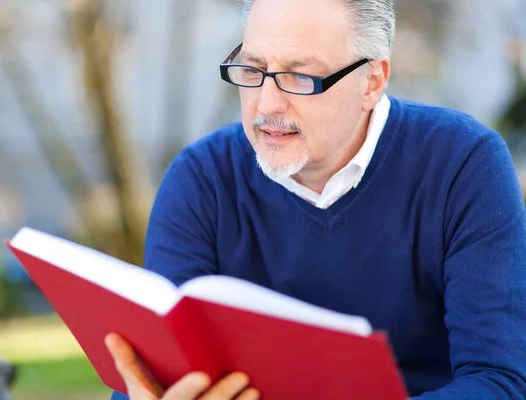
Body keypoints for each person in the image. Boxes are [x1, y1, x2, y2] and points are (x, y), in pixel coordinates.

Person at [106, 0, 526, 398]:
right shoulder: (202, 178)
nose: (266, 104)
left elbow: (500, 381)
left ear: (372, 82)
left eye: (300, 77)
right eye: (253, 69)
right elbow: (153, 372)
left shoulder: (462, 164)